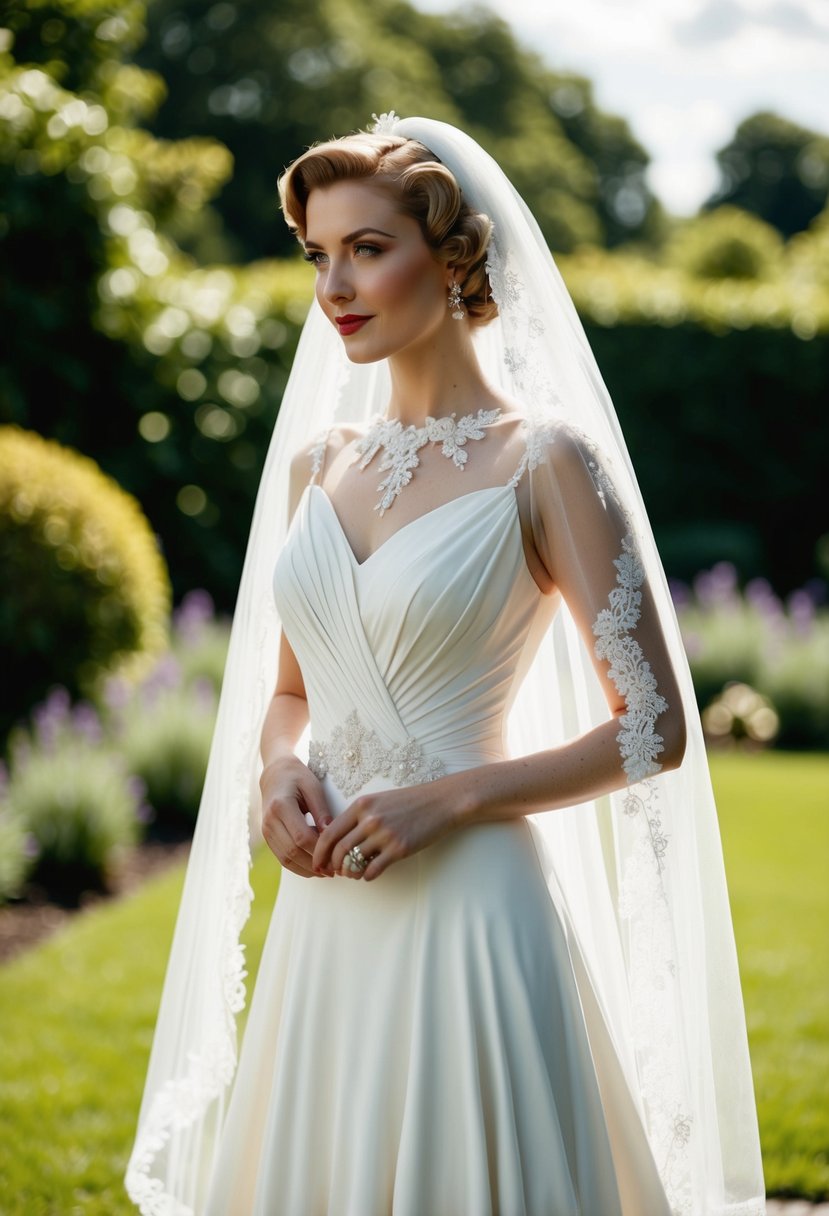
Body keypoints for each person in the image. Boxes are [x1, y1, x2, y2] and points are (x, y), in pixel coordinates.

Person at [126, 115, 766, 1216]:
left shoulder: (543, 460)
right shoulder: (319, 468)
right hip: (330, 910)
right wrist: (278, 771)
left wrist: (452, 797)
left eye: (368, 249)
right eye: (318, 254)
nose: (335, 285)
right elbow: (289, 692)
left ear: (456, 254)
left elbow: (654, 726)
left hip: (474, 912)